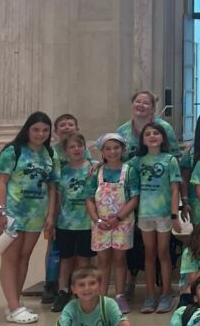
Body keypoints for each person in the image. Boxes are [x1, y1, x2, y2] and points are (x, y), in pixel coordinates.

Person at [0, 111, 60, 324]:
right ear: (27, 130)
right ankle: (13, 306)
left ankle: (15, 302)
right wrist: (0, 211)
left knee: (24, 257)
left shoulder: (50, 154)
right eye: (36, 129)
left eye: (45, 130)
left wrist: (51, 215)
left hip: (36, 215)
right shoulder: (13, 151)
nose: (40, 134)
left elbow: (52, 187)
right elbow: (1, 182)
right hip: (13, 213)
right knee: (10, 259)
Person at [132, 122, 183, 314]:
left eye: (156, 133)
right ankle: (150, 294)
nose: (152, 136)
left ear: (163, 137)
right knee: (149, 253)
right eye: (148, 134)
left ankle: (166, 293)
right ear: (143, 139)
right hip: (145, 213)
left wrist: (174, 214)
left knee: (163, 252)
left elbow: (175, 189)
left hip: (163, 214)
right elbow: (118, 167)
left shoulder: (170, 160)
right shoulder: (138, 161)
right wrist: (98, 165)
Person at [86, 133, 139, 314]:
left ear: (123, 149)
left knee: (119, 259)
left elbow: (134, 198)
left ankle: (120, 295)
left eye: (116, 148)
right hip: (100, 223)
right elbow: (89, 198)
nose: (112, 152)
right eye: (108, 148)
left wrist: (118, 218)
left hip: (122, 222)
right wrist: (97, 219)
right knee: (102, 260)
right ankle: (101, 297)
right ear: (102, 151)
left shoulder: (129, 171)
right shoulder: (96, 172)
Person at [41, 113, 83, 306]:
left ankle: (75, 284)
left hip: (78, 213)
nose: (67, 127)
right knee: (54, 248)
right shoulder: (50, 152)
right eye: (62, 125)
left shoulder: (82, 151)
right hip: (56, 206)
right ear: (56, 131)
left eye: (70, 124)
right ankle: (51, 284)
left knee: (76, 252)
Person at [51, 133, 95, 313]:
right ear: (66, 151)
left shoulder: (94, 168)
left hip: (87, 222)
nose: (76, 149)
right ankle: (63, 290)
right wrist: (52, 220)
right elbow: (58, 198)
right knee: (66, 258)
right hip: (66, 223)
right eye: (72, 147)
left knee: (84, 258)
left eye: (79, 146)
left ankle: (82, 290)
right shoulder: (63, 171)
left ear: (85, 147)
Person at [116, 90, 179, 155]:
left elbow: (175, 154)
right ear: (132, 105)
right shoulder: (121, 131)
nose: (141, 105)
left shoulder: (165, 127)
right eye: (138, 102)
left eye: (145, 103)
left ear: (153, 109)